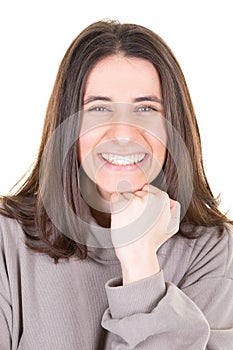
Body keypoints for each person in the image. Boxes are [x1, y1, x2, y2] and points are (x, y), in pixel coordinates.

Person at [0, 19, 233, 350]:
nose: (123, 133)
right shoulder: (7, 242)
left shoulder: (213, 251)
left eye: (145, 108)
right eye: (99, 108)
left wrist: (139, 262)